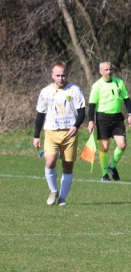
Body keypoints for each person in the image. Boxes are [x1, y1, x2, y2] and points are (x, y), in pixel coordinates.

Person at [32, 62, 86, 206]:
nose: (61, 78)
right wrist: (36, 135)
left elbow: (81, 112)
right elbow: (40, 115)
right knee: (49, 162)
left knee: (67, 166)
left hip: (70, 134)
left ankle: (62, 198)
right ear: (52, 75)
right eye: (58, 75)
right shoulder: (45, 92)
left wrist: (76, 125)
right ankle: (53, 191)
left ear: (67, 75)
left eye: (63, 75)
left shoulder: (74, 90)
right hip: (51, 132)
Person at [87, 61, 131, 181]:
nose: (109, 72)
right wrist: (91, 121)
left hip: (117, 118)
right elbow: (92, 105)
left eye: (110, 69)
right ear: (100, 71)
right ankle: (104, 175)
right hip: (103, 118)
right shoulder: (97, 85)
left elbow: (127, 100)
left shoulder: (119, 83)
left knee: (122, 144)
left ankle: (112, 167)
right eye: (106, 70)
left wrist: (130, 114)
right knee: (105, 147)